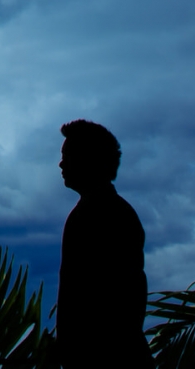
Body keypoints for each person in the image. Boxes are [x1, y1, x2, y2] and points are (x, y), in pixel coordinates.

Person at [54, 120, 151, 368]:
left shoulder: (101, 214)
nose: (61, 163)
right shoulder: (103, 211)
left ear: (89, 159)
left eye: (68, 156)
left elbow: (105, 299)